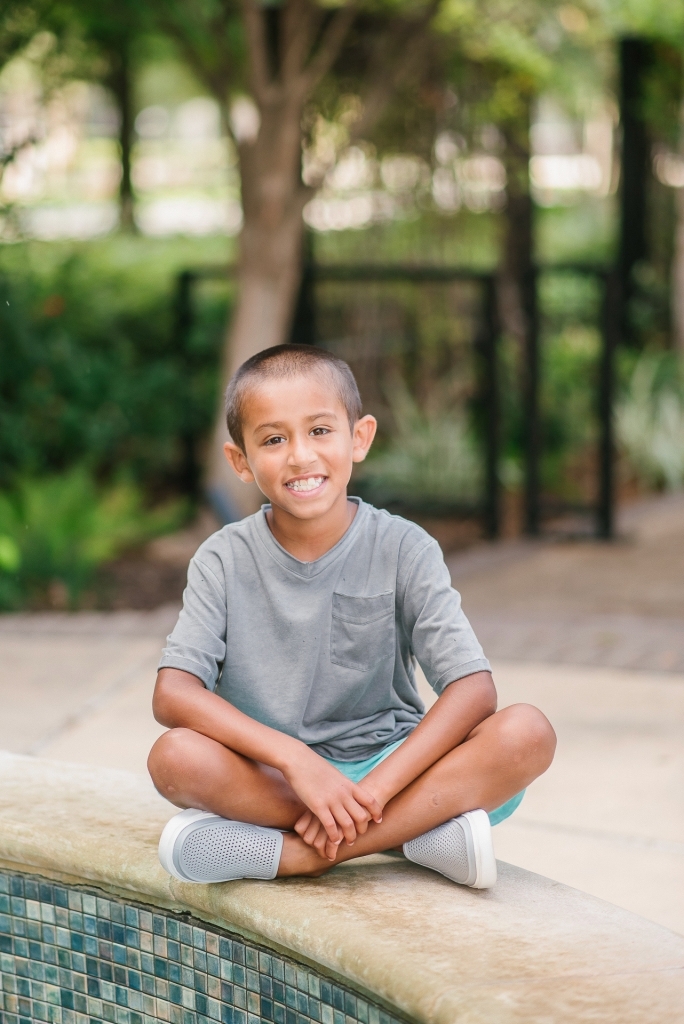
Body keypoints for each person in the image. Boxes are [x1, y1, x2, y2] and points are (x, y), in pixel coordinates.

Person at [148, 344, 556, 889]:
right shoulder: (222, 558)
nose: (300, 456)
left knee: (526, 733)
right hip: (275, 778)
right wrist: (295, 760)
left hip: (393, 769)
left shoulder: (404, 547)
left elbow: (473, 690)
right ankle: (417, 834)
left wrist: (375, 792)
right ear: (240, 461)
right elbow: (173, 694)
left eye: (320, 430)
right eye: (273, 439)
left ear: (359, 437)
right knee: (175, 757)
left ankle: (304, 854)